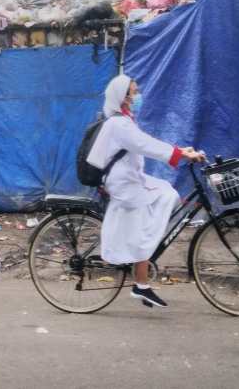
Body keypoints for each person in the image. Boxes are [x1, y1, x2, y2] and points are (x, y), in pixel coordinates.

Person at [87, 74, 204, 308]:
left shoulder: (123, 121)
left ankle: (141, 281)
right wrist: (181, 154)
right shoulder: (119, 124)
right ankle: (141, 281)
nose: (138, 95)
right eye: (134, 92)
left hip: (130, 179)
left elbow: (143, 141)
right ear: (124, 97)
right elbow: (145, 145)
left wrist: (179, 150)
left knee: (165, 194)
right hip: (124, 184)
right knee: (156, 209)